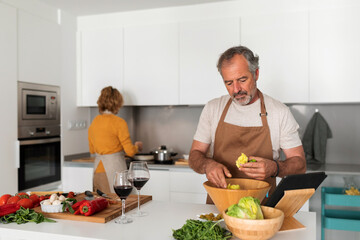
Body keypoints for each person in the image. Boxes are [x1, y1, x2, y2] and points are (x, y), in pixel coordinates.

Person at [188, 45, 306, 202]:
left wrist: (276, 168)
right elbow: (194, 155)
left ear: (256, 73)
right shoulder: (213, 109)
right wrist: (207, 165)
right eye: (229, 83)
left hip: (261, 208)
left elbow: (300, 165)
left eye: (242, 80)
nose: (236, 89)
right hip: (219, 207)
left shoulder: (279, 112)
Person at [88, 86, 143, 193]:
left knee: (102, 204)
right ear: (117, 103)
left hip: (97, 170)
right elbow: (130, 151)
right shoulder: (119, 122)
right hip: (114, 169)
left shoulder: (94, 122)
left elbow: (92, 150)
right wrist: (137, 146)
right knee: (120, 203)